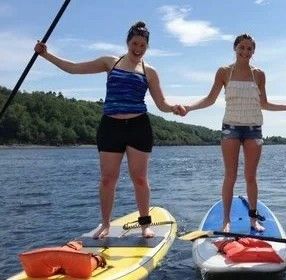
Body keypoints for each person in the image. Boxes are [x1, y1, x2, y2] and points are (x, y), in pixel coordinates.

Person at [34, 21, 182, 239]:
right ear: (128, 41)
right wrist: (46, 55)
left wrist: (173, 108)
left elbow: (161, 104)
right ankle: (105, 224)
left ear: (147, 47)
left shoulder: (149, 72)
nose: (138, 48)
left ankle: (144, 224)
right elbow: (74, 68)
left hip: (138, 127)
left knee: (140, 179)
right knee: (107, 179)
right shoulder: (110, 62)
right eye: (135, 43)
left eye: (143, 45)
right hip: (110, 127)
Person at [180, 34, 286, 232]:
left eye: (249, 48)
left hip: (253, 129)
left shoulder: (259, 74)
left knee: (251, 176)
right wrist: (188, 108)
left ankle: (253, 220)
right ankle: (226, 221)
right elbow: (210, 99)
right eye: (241, 47)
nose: (245, 52)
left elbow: (264, 104)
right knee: (230, 176)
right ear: (235, 48)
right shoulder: (224, 72)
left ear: (253, 51)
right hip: (230, 128)